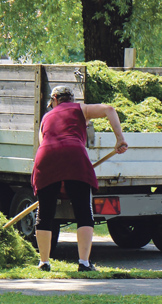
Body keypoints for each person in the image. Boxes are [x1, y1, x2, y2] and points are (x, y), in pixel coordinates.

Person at [31, 86, 128, 272]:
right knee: (83, 211)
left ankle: (44, 262)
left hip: (46, 156)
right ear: (71, 99)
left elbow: (42, 142)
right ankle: (83, 263)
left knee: (45, 213)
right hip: (74, 155)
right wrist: (119, 139)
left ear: (55, 100)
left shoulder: (46, 117)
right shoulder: (80, 109)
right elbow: (109, 109)